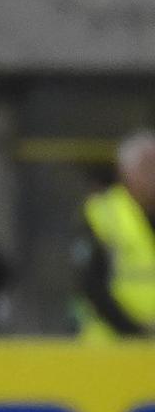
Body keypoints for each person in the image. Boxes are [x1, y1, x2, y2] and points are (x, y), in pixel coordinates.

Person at [72, 131, 155, 339]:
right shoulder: (102, 213)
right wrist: (134, 331)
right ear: (125, 172)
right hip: (110, 347)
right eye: (147, 167)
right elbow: (90, 284)